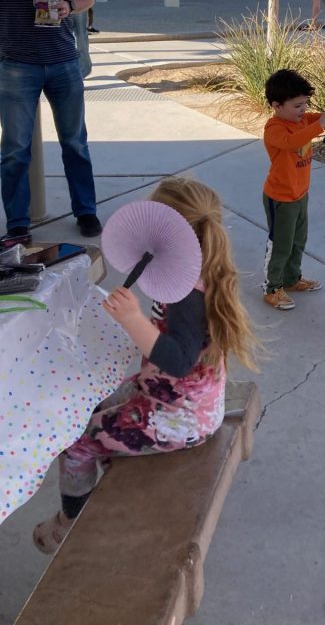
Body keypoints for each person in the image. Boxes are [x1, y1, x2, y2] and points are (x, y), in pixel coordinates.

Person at [31, 176, 262, 553]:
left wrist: (133, 320)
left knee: (76, 442)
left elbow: (180, 360)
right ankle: (107, 479)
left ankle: (70, 526)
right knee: (90, 408)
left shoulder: (189, 293)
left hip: (181, 417)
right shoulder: (197, 268)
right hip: (173, 396)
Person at [0, 0, 101, 245]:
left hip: (62, 60)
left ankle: (86, 210)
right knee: (14, 149)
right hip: (15, 63)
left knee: (75, 141)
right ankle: (17, 223)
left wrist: (69, 5)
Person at [262, 70, 325, 310]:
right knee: (280, 244)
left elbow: (316, 120)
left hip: (300, 195)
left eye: (305, 104)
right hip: (280, 198)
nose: (303, 110)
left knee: (298, 241)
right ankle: (272, 288)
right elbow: (293, 142)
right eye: (297, 105)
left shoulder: (302, 121)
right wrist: (320, 124)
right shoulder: (274, 128)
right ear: (277, 105)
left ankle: (291, 279)